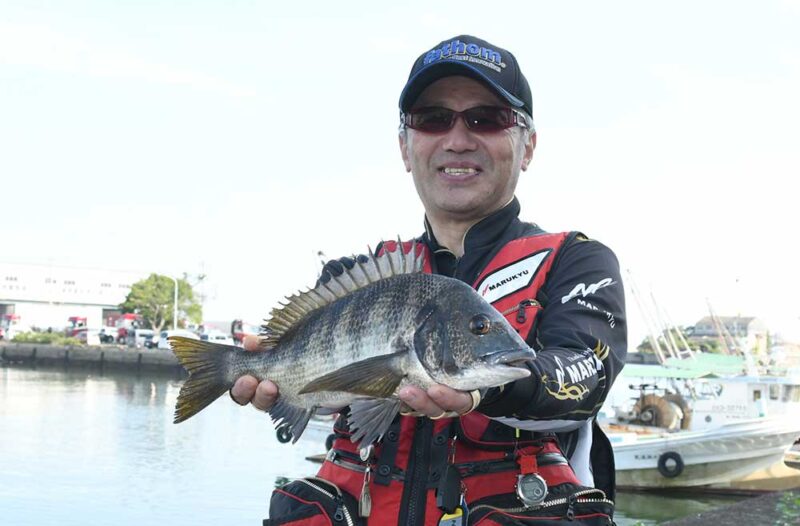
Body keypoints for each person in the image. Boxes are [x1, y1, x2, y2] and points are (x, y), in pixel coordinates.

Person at [232, 34, 627, 525]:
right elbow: (332, 399)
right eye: (433, 119)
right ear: (405, 146)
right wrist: (284, 390)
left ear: (527, 147)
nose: (457, 139)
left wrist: (483, 389)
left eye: (486, 119)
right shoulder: (348, 278)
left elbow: (583, 379)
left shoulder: (577, 263)